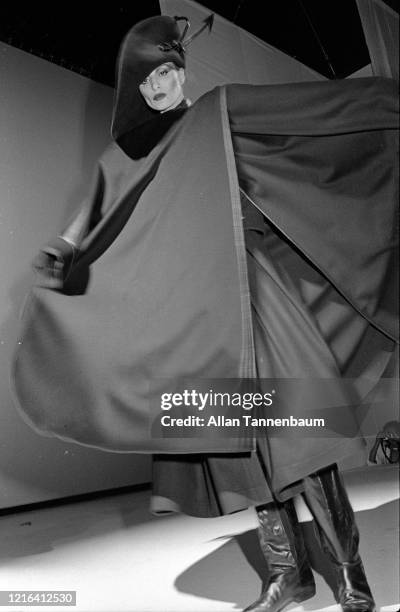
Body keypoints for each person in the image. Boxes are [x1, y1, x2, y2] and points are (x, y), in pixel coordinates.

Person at [11, 15, 398, 612]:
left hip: (259, 300)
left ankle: (352, 580)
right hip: (191, 316)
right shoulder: (128, 154)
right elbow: (89, 217)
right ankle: (286, 577)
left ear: (182, 71)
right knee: (235, 446)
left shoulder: (219, 111)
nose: (159, 84)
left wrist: (383, 100)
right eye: (147, 77)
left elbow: (318, 112)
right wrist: (60, 249)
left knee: (303, 438)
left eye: (167, 70)